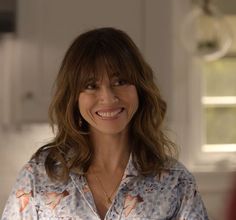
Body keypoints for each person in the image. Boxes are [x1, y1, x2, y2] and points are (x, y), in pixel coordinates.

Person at [1, 27, 209, 219]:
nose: (108, 98)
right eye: (91, 86)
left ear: (139, 89)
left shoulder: (175, 183)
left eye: (120, 82)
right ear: (74, 97)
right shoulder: (38, 177)